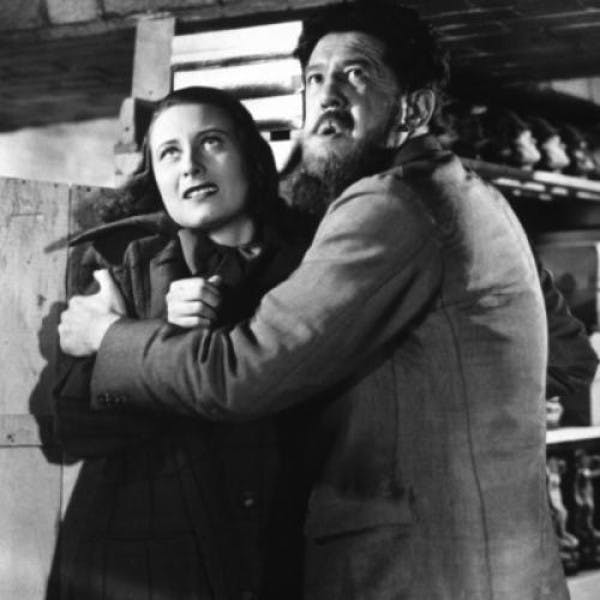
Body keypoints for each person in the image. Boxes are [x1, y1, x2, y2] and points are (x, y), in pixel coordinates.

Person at [59, 2, 580, 598]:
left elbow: (241, 375)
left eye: (356, 74)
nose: (328, 95)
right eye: (315, 78)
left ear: (414, 109)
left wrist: (108, 336)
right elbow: (568, 357)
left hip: (419, 574)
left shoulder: (387, 206)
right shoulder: (475, 197)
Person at [51, 86, 312, 600]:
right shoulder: (118, 261)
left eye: (211, 142)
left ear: (251, 157)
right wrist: (158, 331)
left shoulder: (313, 263)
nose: (190, 165)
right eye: (169, 152)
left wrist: (122, 346)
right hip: (143, 562)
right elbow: (76, 429)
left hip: (280, 549)